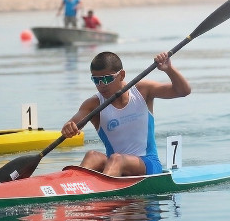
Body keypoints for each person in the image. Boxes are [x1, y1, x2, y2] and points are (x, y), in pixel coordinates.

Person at [60, 51, 191, 176]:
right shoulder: (93, 104)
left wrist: (169, 69)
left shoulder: (143, 91)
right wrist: (69, 127)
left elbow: (183, 91)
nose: (101, 85)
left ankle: (105, 187)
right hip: (113, 163)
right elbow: (74, 123)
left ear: (121, 75)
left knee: (117, 159)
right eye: (96, 80)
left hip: (148, 163)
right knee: (92, 155)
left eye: (106, 79)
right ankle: (72, 185)